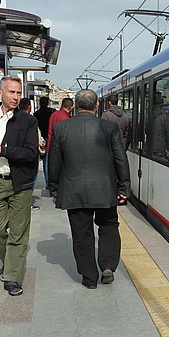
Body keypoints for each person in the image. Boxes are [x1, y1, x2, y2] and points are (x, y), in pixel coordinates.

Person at [47, 89, 129, 289]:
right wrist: (123, 186)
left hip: (74, 190)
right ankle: (108, 266)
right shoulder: (109, 128)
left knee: (81, 234)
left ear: (75, 106)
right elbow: (121, 159)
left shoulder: (61, 128)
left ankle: (89, 278)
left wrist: (54, 187)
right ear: (97, 106)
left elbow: (55, 162)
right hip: (105, 189)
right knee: (109, 226)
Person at [0, 75, 39, 297]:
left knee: (18, 234)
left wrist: (2, 150)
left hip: (20, 183)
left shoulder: (28, 121)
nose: (16, 97)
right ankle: (9, 262)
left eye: (19, 93)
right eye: (12, 92)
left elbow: (31, 154)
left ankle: (12, 276)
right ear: (0, 93)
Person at [18, 97, 43, 211]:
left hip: (17, 153)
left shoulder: (13, 118)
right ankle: (27, 202)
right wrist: (41, 145)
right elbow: (36, 138)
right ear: (29, 107)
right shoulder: (31, 120)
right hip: (30, 155)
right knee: (30, 179)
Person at [34, 96, 56, 184]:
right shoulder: (52, 112)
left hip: (40, 138)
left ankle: (45, 181)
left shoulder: (36, 114)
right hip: (50, 137)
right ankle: (49, 181)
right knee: (49, 160)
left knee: (43, 160)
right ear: (47, 103)